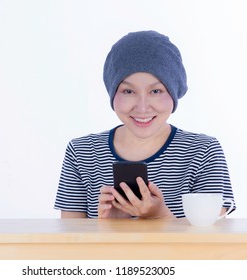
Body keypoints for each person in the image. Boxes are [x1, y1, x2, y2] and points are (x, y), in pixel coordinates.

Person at [54, 30, 236, 219]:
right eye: (128, 91)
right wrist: (110, 228)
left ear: (174, 93)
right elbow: (70, 243)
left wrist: (159, 216)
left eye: (156, 91)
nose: (142, 107)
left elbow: (214, 243)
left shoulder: (203, 151)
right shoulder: (82, 152)